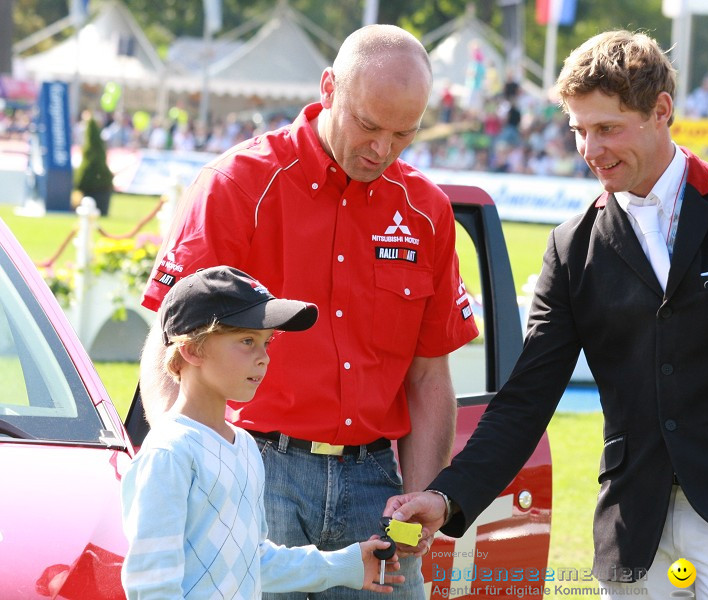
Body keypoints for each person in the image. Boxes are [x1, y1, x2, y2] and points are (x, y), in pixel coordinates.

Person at [384, 30, 708, 599]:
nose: (590, 149)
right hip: (634, 529)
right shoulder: (570, 247)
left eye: (607, 128)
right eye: (578, 130)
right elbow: (525, 398)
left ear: (661, 111)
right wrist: (447, 495)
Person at [137, 24, 479, 600]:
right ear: (328, 88)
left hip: (378, 486)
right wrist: (185, 462)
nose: (382, 149)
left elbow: (429, 374)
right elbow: (171, 341)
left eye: (405, 133)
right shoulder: (236, 184)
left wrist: (417, 502)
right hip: (257, 469)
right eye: (368, 125)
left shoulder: (426, 211)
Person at [122, 266, 402, 597]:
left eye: (266, 342)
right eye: (246, 341)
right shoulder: (169, 454)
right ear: (192, 349)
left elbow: (253, 560)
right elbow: (151, 585)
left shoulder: (243, 445)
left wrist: (346, 564)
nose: (264, 358)